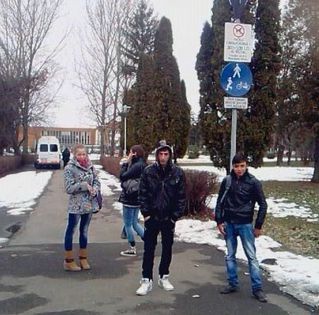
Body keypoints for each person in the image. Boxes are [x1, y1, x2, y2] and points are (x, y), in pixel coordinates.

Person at [214, 152, 268, 303]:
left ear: (246, 166)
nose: (239, 169)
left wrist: (258, 226)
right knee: (230, 255)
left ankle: (257, 288)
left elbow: (263, 204)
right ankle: (232, 283)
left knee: (251, 257)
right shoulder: (228, 181)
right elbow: (220, 201)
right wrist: (219, 220)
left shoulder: (253, 182)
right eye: (236, 166)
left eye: (242, 166)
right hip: (229, 223)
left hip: (245, 224)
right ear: (232, 166)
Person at [136, 140, 186, 296]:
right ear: (156, 155)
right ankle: (146, 279)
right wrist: (147, 214)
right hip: (153, 217)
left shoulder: (178, 172)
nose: (163, 157)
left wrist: (174, 216)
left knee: (167, 248)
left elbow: (181, 197)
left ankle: (164, 276)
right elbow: (142, 194)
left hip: (168, 218)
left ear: (170, 155)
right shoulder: (148, 171)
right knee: (149, 249)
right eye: (161, 154)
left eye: (166, 154)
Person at [63, 144, 101, 271]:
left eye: (84, 154)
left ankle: (83, 258)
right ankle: (68, 260)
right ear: (75, 155)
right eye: (79, 154)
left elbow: (96, 180)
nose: (82, 156)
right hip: (76, 206)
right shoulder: (70, 168)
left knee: (84, 231)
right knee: (71, 230)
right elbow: (68, 188)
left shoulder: (90, 166)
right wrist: (84, 185)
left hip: (88, 205)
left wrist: (95, 188)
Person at [119, 145, 146, 256]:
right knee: (134, 223)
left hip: (130, 198)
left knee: (128, 224)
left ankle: (132, 247)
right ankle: (149, 242)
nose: (129, 154)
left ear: (134, 153)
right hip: (137, 198)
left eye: (130, 152)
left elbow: (122, 176)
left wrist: (126, 163)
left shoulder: (136, 166)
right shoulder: (143, 164)